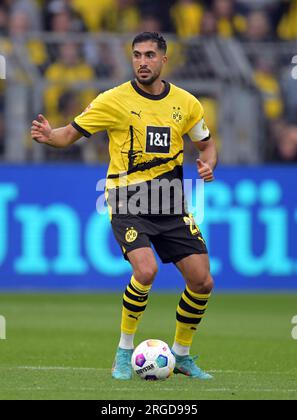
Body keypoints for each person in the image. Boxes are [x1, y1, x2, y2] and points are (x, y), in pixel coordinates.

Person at [31, 32, 218, 380]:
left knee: (202, 281)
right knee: (146, 271)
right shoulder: (112, 100)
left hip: (170, 203)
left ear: (164, 59)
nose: (142, 62)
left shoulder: (187, 103)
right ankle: (124, 350)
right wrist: (49, 135)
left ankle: (182, 355)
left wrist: (208, 163)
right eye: (136, 55)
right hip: (127, 200)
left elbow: (206, 145)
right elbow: (68, 134)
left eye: (149, 55)